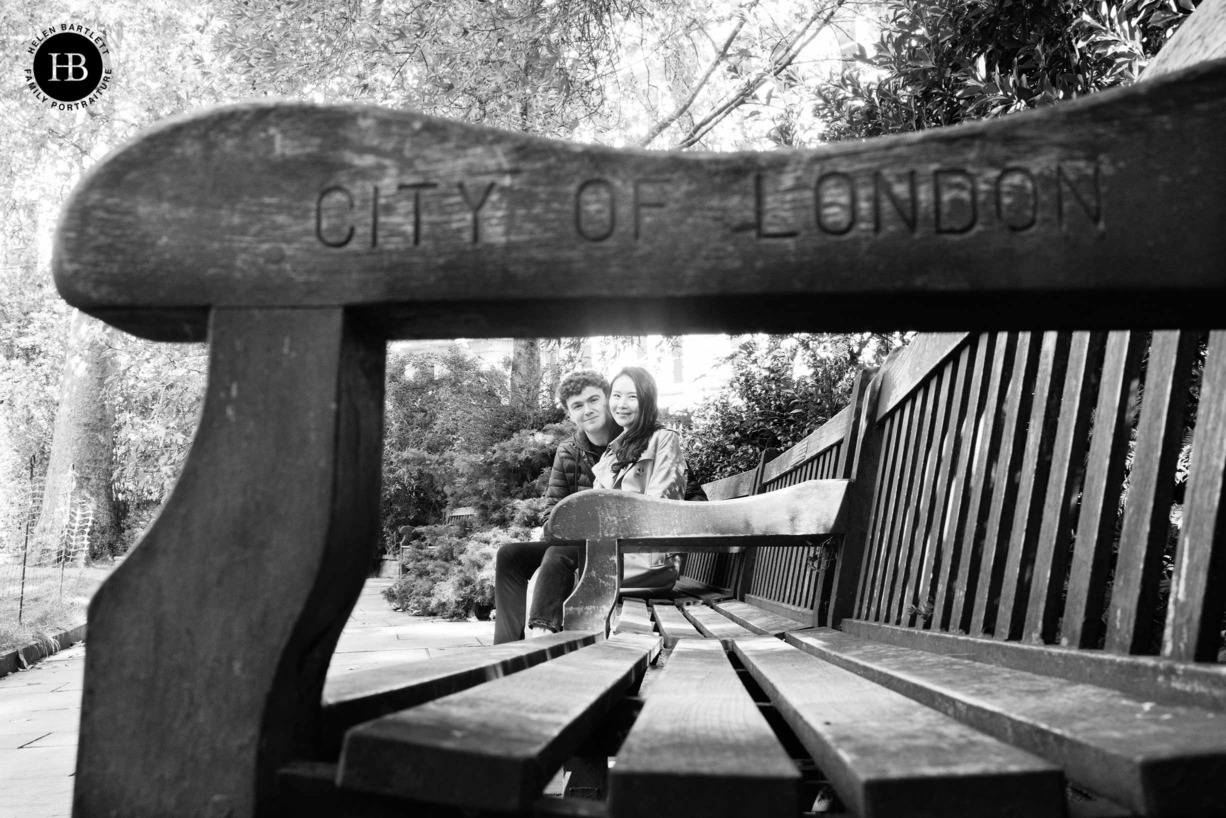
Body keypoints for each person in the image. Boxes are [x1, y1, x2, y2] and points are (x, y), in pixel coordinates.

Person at [493, 367, 703, 643]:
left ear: (606, 400)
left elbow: (685, 499)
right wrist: (578, 527)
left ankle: (540, 644)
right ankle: (507, 647)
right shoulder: (578, 452)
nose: (588, 410)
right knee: (511, 555)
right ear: (570, 414)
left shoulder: (650, 438)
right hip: (587, 543)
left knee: (559, 555)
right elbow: (552, 514)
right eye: (577, 406)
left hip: (633, 552)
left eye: (594, 400)